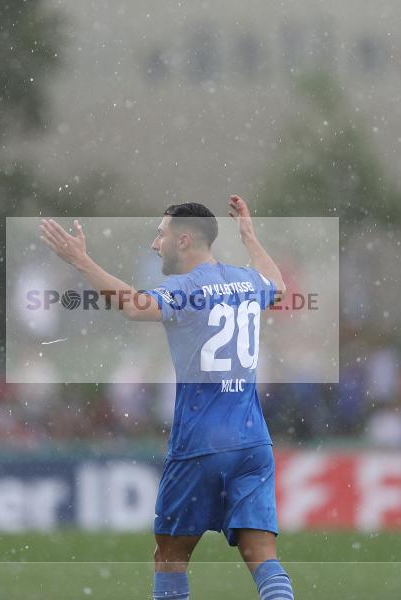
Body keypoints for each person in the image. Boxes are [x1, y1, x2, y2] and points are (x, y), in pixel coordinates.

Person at [40, 195, 294, 600]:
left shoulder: (185, 287)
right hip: (252, 441)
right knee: (263, 559)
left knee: (169, 559)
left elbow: (134, 308)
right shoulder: (246, 282)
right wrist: (249, 236)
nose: (154, 244)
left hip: (201, 443)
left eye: (160, 235)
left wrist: (81, 262)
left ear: (184, 240)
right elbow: (277, 285)